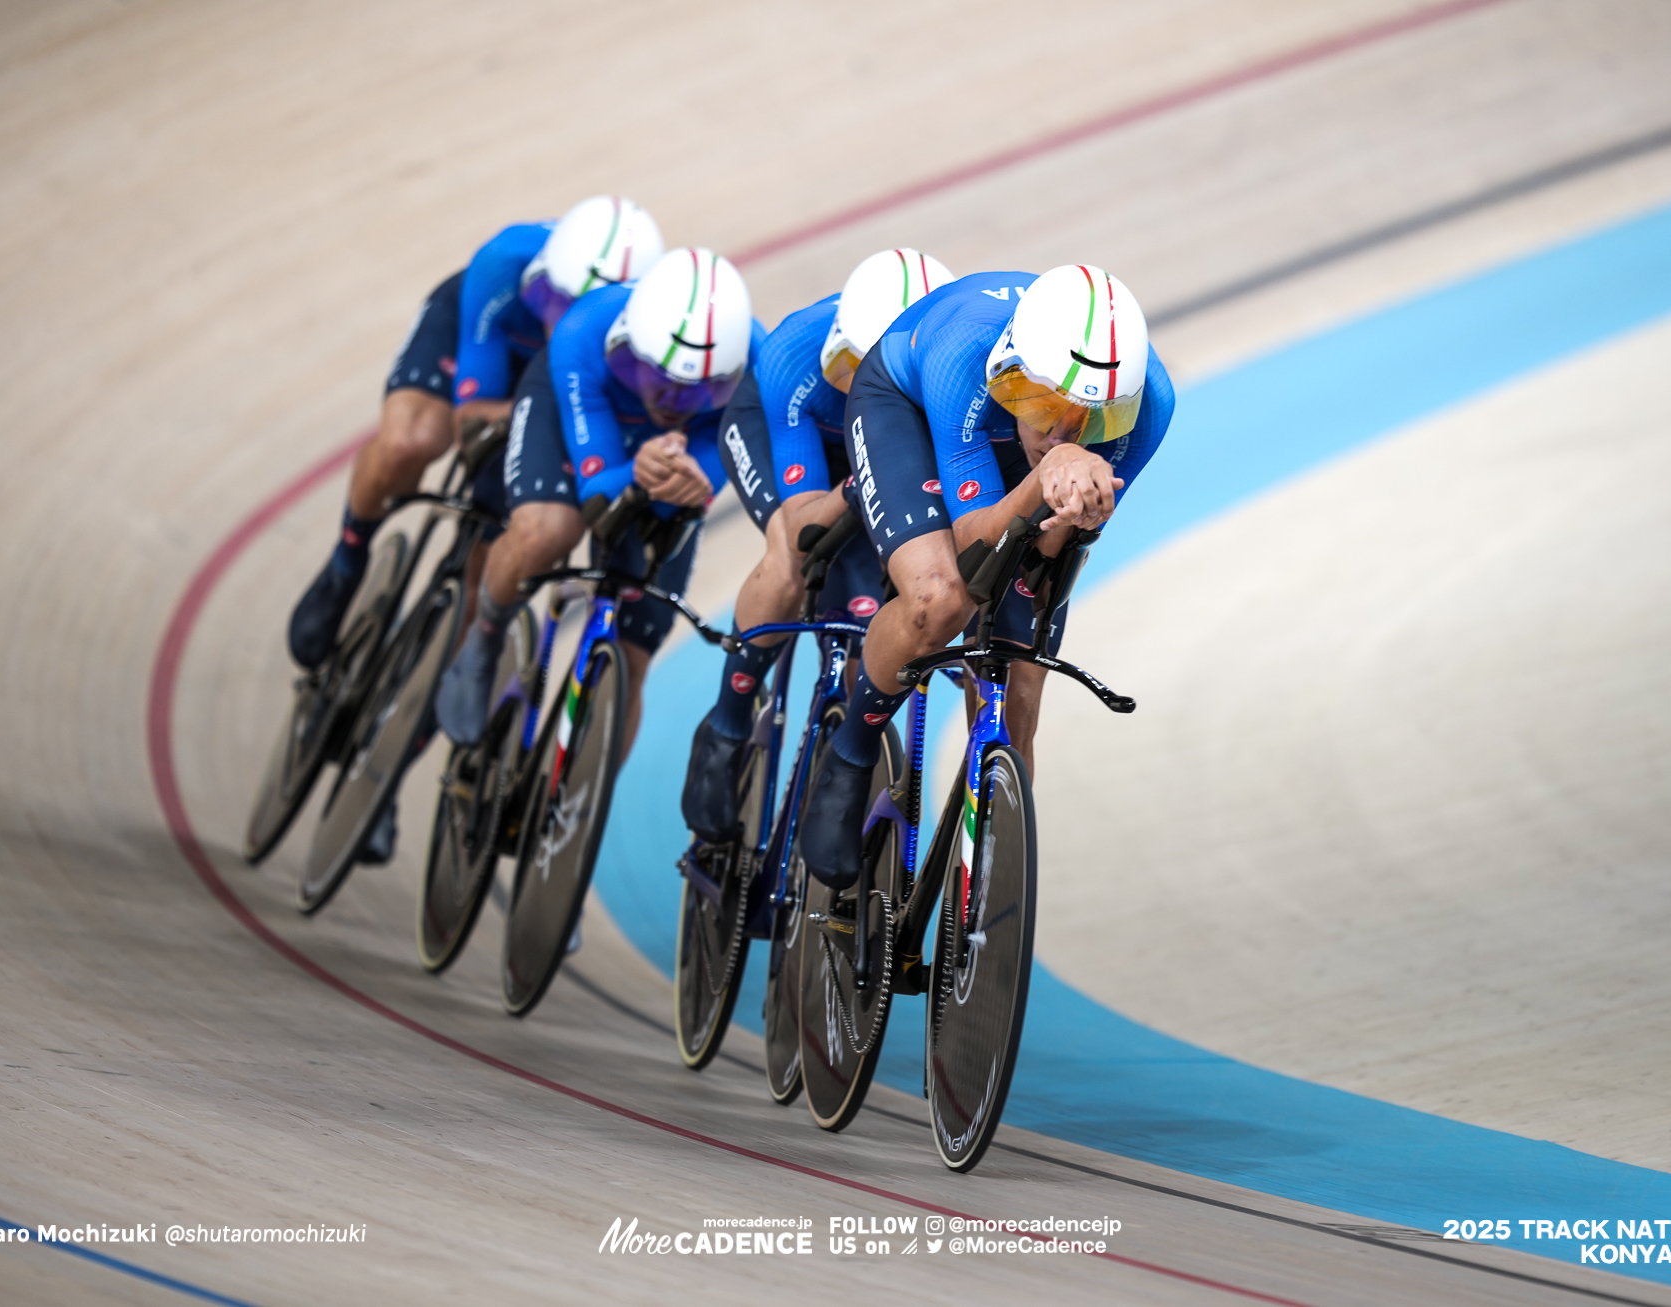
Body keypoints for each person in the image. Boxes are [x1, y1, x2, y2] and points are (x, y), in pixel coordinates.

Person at [798, 264, 1177, 888]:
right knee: (939, 599)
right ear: (1012, 371)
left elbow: (1046, 558)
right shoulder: (961, 351)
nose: (1061, 427)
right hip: (911, 409)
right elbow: (974, 547)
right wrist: (1049, 469)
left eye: (1092, 420)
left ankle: (989, 873)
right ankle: (849, 756)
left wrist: (1062, 521)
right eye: (1044, 404)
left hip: (1014, 448)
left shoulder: (1148, 409)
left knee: (1023, 666)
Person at [285, 196, 663, 670]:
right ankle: (348, 557)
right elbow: (471, 418)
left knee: (491, 564)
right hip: (490, 337)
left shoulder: (635, 343)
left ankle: (429, 681)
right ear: (543, 276)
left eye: (580, 312)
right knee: (412, 441)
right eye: (557, 300)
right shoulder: (505, 260)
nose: (562, 322)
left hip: (571, 376)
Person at [435, 247, 764, 754]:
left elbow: (690, 492)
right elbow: (596, 495)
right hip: (583, 416)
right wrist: (634, 471)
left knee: (633, 657)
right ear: (627, 345)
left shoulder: (759, 368)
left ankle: (579, 809)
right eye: (657, 377)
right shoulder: (583, 333)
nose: (670, 403)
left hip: (687, 448)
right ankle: (486, 633)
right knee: (549, 531)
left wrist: (683, 483)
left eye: (698, 390)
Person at [678, 249, 955, 845]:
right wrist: (856, 490)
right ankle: (727, 724)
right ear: (835, 345)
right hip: (791, 444)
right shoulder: (791, 359)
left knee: (873, 621)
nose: (864, 381)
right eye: (852, 365)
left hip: (883, 452)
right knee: (794, 552)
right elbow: (807, 521)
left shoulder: (950, 376)